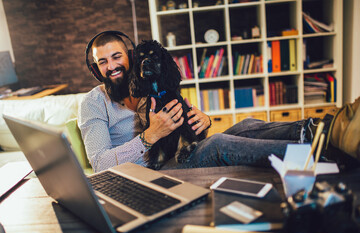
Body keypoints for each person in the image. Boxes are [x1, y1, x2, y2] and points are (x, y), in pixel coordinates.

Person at [79, 31, 360, 173]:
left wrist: (203, 120)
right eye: (102, 62)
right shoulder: (93, 103)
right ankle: (323, 157)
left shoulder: (149, 84)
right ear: (95, 70)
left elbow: (188, 123)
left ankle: (327, 128)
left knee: (245, 125)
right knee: (217, 145)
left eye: (116, 57)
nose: (111, 66)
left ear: (130, 56)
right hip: (153, 172)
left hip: (179, 151)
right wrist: (150, 136)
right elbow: (101, 164)